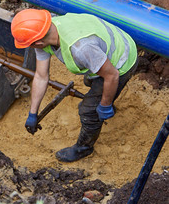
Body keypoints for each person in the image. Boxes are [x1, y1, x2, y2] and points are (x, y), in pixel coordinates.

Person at [11, 9, 138, 162]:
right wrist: (33, 113)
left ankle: (84, 148)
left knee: (88, 111)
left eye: (29, 45)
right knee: (89, 82)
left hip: (122, 60)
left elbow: (112, 75)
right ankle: (105, 100)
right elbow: (41, 76)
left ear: (37, 42)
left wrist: (105, 105)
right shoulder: (46, 28)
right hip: (102, 51)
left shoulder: (80, 49)